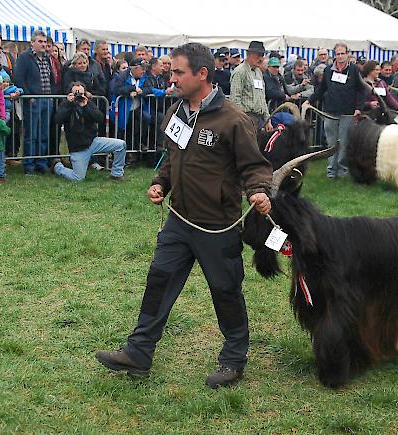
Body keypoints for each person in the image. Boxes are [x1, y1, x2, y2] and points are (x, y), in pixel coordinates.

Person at [95, 42, 272, 389]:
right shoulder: (175, 111)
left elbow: (255, 166)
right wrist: (159, 183)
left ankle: (234, 359)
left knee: (225, 291)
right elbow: (171, 157)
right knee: (158, 282)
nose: (171, 78)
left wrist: (259, 190)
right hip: (179, 221)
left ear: (201, 74)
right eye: (172, 72)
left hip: (218, 226)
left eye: (178, 72)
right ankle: (139, 352)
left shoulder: (233, 119)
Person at [305, 42, 366, 178]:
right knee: (331, 143)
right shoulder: (328, 70)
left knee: (344, 143)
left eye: (342, 53)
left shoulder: (354, 70)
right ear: (334, 55)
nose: (340, 56)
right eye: (337, 54)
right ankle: (331, 171)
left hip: (347, 112)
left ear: (347, 54)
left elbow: (362, 90)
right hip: (330, 112)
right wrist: (310, 100)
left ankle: (342, 171)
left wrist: (359, 108)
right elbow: (322, 89)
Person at [52, 81, 126, 181]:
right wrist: (68, 104)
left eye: (81, 93)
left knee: (120, 145)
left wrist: (85, 106)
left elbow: (99, 118)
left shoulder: (88, 103)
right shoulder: (66, 105)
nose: (79, 96)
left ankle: (116, 173)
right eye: (76, 93)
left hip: (93, 142)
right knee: (78, 178)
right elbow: (58, 119)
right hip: (78, 148)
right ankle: (57, 166)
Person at [14, 30, 54, 175]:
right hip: (33, 100)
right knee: (31, 134)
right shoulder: (24, 57)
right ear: (33, 43)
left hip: (47, 99)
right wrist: (28, 95)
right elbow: (18, 77)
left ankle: (41, 162)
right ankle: (29, 164)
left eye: (44, 42)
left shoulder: (47, 58)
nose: (43, 44)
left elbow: (50, 78)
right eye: (40, 42)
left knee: (44, 134)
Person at [230, 41, 273, 131]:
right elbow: (235, 100)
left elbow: (262, 98)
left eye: (262, 55)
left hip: (259, 119)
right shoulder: (240, 72)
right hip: (246, 118)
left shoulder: (258, 72)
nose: (261, 58)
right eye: (258, 55)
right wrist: (243, 120)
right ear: (248, 54)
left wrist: (267, 120)